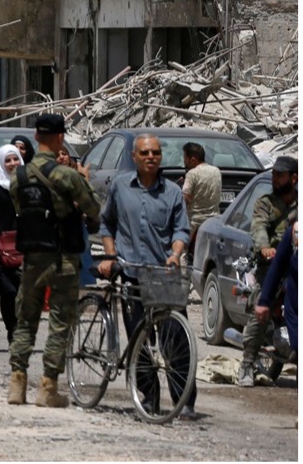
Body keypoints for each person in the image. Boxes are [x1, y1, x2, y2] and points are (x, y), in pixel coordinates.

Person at [7, 114, 102, 406]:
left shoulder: (19, 177)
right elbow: (93, 208)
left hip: (33, 257)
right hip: (64, 259)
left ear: (36, 137)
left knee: (25, 320)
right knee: (60, 322)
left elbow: (20, 208)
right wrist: (84, 181)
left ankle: (17, 384)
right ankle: (48, 387)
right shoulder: (67, 175)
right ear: (60, 137)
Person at [99, 133, 195, 417]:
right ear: (134, 157)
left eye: (155, 152)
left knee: (174, 338)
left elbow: (181, 230)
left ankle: (185, 400)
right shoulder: (120, 186)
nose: (151, 157)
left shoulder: (173, 192)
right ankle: (149, 396)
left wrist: (175, 254)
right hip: (130, 272)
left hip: (163, 274)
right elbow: (107, 224)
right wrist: (110, 256)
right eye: (145, 153)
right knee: (140, 339)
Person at [238, 155, 297, 386]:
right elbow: (259, 227)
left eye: (279, 175)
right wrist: (264, 247)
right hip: (271, 265)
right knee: (260, 309)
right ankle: (247, 363)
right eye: (273, 174)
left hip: (294, 266)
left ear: (294, 178)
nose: (274, 179)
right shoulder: (265, 203)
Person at [0, 144, 24, 346]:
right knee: (8, 291)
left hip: (25, 244)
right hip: (0, 246)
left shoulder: (28, 183)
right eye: (7, 160)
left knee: (23, 291)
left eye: (15, 159)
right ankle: (12, 329)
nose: (12, 164)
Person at [255, 221, 296, 362]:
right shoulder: (294, 233)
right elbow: (277, 266)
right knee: (256, 322)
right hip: (296, 309)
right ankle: (248, 363)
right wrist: (264, 301)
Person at [180, 142, 221, 259]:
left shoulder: (192, 174)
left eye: (185, 158)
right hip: (213, 220)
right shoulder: (216, 171)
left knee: (182, 251)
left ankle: (183, 276)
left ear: (193, 159)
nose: (184, 162)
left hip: (194, 221)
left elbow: (185, 197)